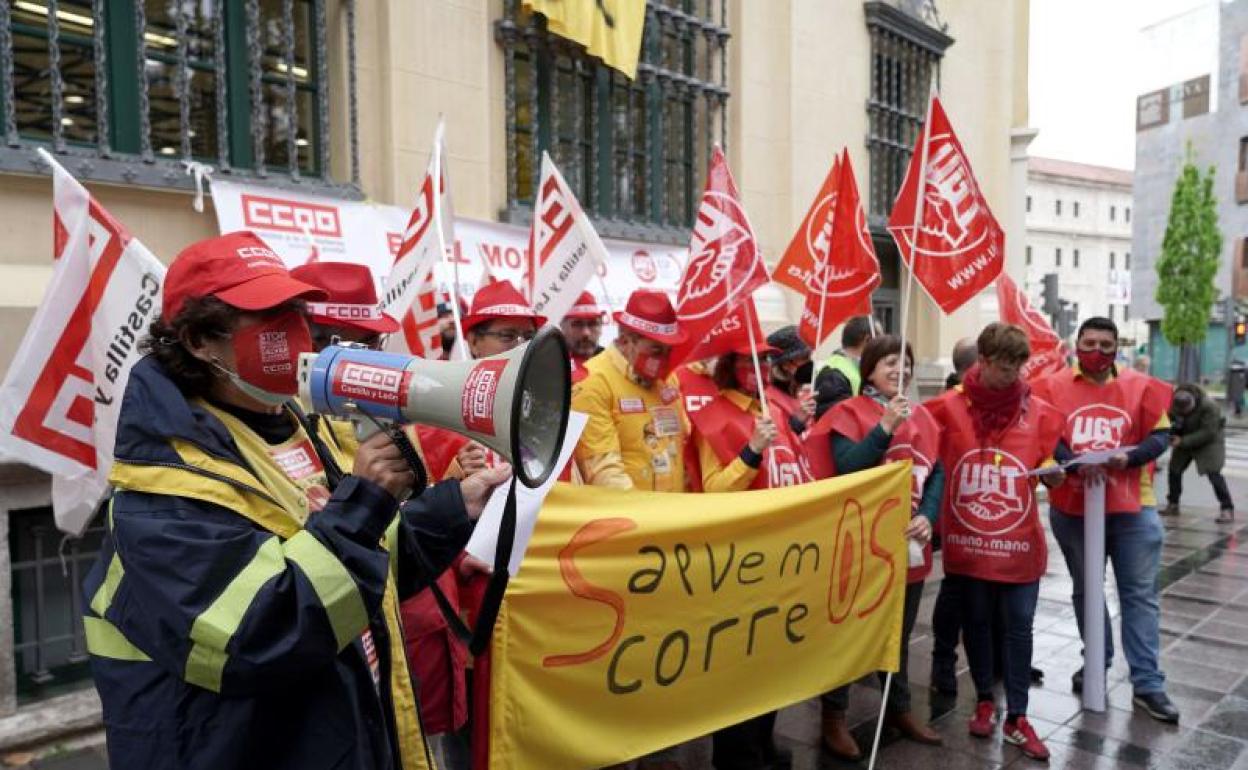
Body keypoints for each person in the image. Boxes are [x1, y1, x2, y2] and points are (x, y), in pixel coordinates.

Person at [82, 232, 509, 770]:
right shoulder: (162, 490)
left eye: (295, 309)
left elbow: (368, 566)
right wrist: (363, 504)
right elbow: (263, 631)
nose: (295, 330)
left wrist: (453, 508)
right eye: (268, 315)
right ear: (197, 340)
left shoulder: (297, 427)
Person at [925, 323, 1066, 762]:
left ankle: (1018, 717)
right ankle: (985, 699)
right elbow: (918, 455)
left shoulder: (1037, 410)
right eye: (1004, 368)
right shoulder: (947, 408)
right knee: (979, 624)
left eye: (1017, 368)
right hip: (969, 543)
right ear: (982, 362)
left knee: (1020, 627)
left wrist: (1054, 470)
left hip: (1019, 545)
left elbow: (1051, 456)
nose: (1012, 376)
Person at [1033, 317, 1180, 724]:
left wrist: (1129, 457)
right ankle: (1097, 660)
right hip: (1074, 507)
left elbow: (1161, 435)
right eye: (1090, 342)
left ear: (1118, 348)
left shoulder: (1141, 385)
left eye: (1106, 344)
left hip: (1134, 508)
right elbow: (1046, 436)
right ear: (1076, 343)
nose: (1097, 350)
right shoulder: (1051, 386)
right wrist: (1072, 462)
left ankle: (1148, 684)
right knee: (1087, 590)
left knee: (1139, 596)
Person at [806, 335, 943, 758]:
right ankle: (834, 717)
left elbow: (937, 471)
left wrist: (929, 517)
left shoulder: (920, 414)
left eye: (905, 362)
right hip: (857, 548)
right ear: (868, 368)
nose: (899, 370)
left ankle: (898, 708)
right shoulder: (846, 412)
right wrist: (885, 426)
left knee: (897, 635)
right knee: (849, 632)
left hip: (908, 547)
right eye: (889, 362)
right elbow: (848, 466)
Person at [687, 334, 813, 769]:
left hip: (781, 560)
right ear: (731, 365)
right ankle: (738, 756)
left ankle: (763, 741)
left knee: (772, 666)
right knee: (741, 672)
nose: (762, 369)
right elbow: (713, 489)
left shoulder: (773, 407)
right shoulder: (713, 417)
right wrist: (751, 451)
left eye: (767, 361)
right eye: (753, 361)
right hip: (740, 566)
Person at [572, 289, 689, 492]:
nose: (664, 359)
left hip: (676, 514)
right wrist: (646, 516)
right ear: (626, 340)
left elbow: (682, 445)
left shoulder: (669, 380)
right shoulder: (593, 383)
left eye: (668, 351)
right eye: (656, 350)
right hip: (633, 518)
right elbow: (604, 471)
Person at [1165, 383, 1236, 523]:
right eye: (1181, 410)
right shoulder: (1173, 402)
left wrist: (1182, 441)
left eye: (1187, 410)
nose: (1184, 412)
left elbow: (1208, 432)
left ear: (1193, 401)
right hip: (1184, 437)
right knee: (1174, 470)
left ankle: (1227, 508)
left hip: (1209, 442)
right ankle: (1173, 504)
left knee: (1214, 473)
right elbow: (1167, 419)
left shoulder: (1209, 406)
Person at [813, 315, 878, 418]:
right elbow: (836, 420)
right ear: (868, 340)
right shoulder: (834, 373)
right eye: (880, 341)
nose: (882, 348)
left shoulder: (856, 367)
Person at [765, 325, 816, 434]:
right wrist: (797, 422)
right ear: (786, 364)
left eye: (809, 357)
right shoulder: (769, 400)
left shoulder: (802, 393)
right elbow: (777, 443)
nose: (809, 363)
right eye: (804, 358)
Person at [561, 290, 605, 383]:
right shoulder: (550, 363)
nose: (586, 333)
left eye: (593, 324)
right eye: (577, 324)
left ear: (601, 327)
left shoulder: (613, 363)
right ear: (562, 327)